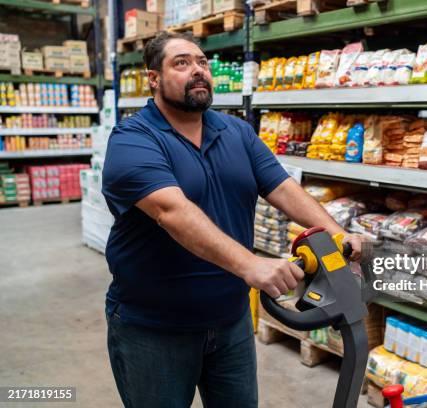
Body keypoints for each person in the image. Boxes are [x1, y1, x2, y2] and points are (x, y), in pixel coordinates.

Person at [101, 31, 363, 408]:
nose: (197, 71)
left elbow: (282, 188)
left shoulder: (237, 131)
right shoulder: (132, 139)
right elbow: (171, 211)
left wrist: (339, 234)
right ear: (153, 79)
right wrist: (250, 265)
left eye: (202, 63)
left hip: (231, 321)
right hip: (153, 328)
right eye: (181, 63)